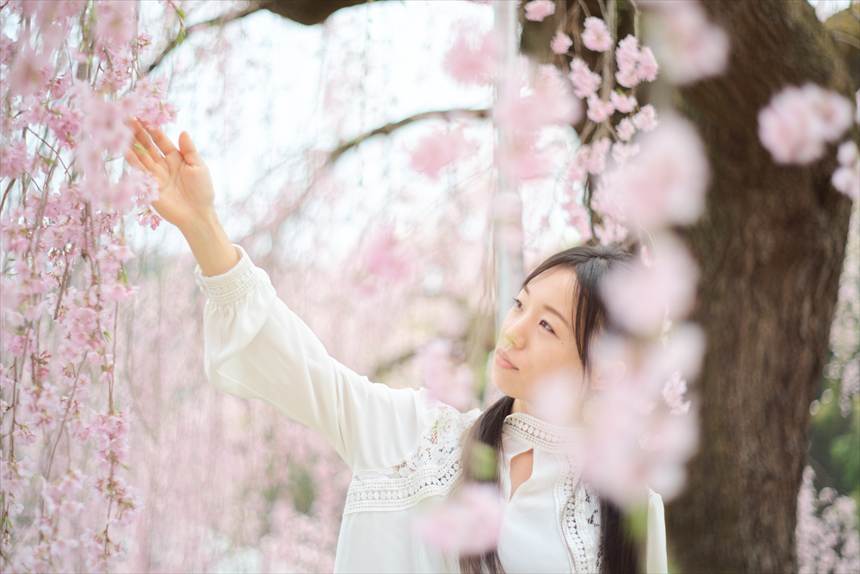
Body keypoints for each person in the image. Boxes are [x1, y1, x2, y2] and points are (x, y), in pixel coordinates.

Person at [124, 118, 669, 574]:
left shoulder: (629, 508)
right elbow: (299, 366)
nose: (514, 331)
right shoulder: (417, 438)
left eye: (548, 326)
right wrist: (203, 226)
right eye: (520, 305)